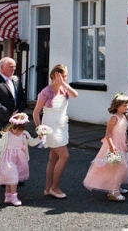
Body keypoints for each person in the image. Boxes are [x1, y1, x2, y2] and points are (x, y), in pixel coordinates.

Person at [32, 63, 78, 199]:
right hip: (50, 127)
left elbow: (75, 95)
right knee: (65, 156)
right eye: (62, 76)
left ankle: (48, 188)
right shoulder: (46, 92)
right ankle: (55, 187)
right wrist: (39, 130)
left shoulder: (65, 89)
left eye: (65, 76)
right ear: (54, 76)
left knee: (53, 158)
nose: (64, 79)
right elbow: (35, 113)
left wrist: (63, 84)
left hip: (62, 126)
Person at [84, 93, 128, 202]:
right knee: (122, 167)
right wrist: (112, 147)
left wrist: (126, 143)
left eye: (127, 105)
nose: (127, 108)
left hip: (121, 144)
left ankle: (116, 185)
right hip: (114, 145)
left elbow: (124, 132)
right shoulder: (114, 118)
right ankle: (113, 191)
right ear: (117, 106)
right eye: (124, 106)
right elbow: (108, 134)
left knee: (120, 168)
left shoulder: (123, 117)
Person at [0, 112, 42, 206]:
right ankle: (14, 197)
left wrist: (39, 138)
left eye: (20, 130)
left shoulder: (25, 134)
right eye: (15, 129)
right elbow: (0, 147)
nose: (17, 132)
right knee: (12, 177)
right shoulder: (7, 135)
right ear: (11, 126)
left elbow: (32, 143)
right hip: (7, 159)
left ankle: (8, 195)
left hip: (19, 159)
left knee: (10, 178)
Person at [0, 57, 26, 130]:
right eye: (11, 66)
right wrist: (9, 115)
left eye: (14, 66)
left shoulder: (16, 80)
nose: (14, 69)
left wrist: (18, 113)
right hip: (1, 120)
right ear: (1, 67)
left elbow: (22, 97)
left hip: (17, 120)